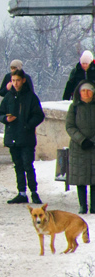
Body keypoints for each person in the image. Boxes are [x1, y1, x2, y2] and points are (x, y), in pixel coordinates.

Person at [0, 70, 45, 204]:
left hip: (26, 137)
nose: (15, 83)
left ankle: (34, 192)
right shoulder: (8, 96)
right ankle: (21, 192)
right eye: (13, 81)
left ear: (23, 80)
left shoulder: (31, 97)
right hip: (13, 136)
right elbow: (0, 113)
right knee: (18, 165)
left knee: (28, 165)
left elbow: (39, 115)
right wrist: (6, 119)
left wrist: (28, 125)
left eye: (17, 80)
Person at [66, 82, 95, 213]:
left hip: (93, 146)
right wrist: (82, 140)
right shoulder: (74, 107)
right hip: (79, 147)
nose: (86, 93)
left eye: (89, 91)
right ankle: (82, 205)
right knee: (80, 178)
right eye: (83, 91)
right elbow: (70, 127)